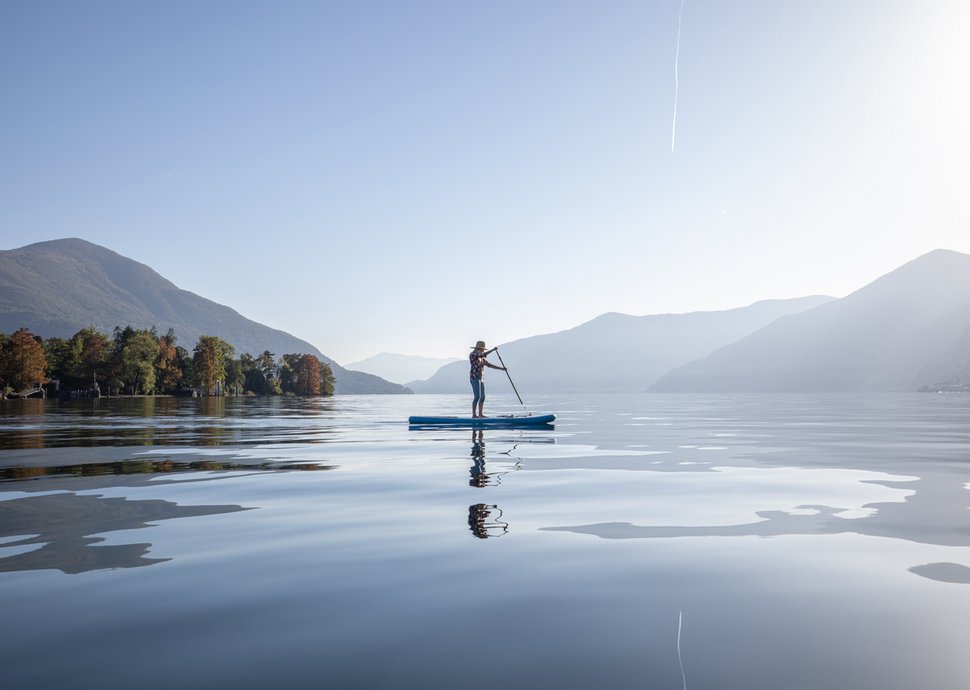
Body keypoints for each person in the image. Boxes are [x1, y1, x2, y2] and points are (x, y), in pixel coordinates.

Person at [469, 340, 506, 418]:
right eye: (482, 349)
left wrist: (502, 369)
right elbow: (483, 354)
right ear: (479, 348)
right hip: (474, 378)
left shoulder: (482, 359)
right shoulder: (473, 354)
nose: (483, 350)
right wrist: (492, 350)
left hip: (481, 379)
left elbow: (490, 365)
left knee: (482, 397)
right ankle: (474, 415)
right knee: (477, 397)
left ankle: (480, 414)